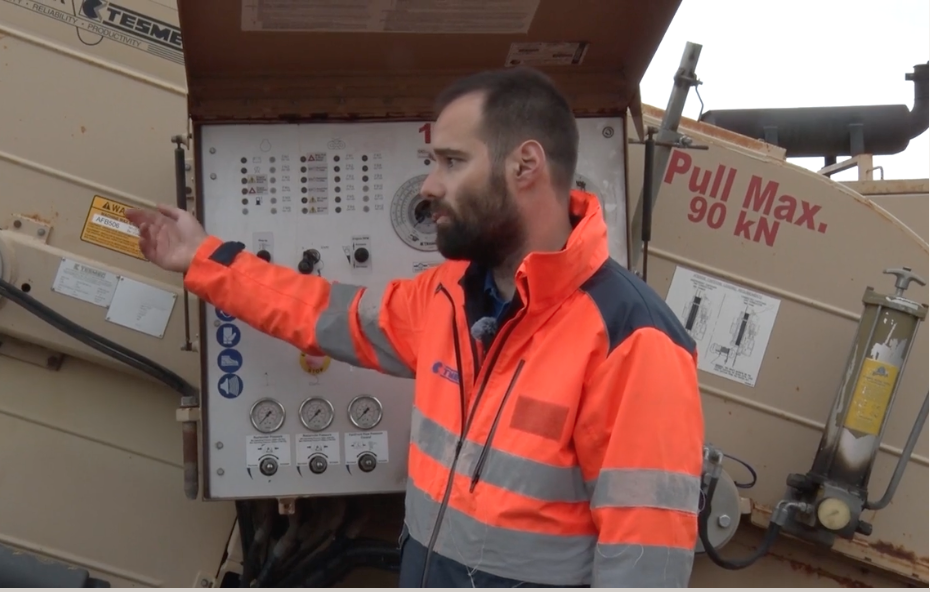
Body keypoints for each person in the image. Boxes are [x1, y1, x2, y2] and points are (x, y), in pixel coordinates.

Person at [126, 66, 705, 588]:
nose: (428, 186)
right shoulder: (449, 295)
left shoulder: (633, 340)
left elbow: (646, 566)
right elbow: (322, 312)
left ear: (525, 165)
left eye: (451, 161)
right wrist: (204, 259)